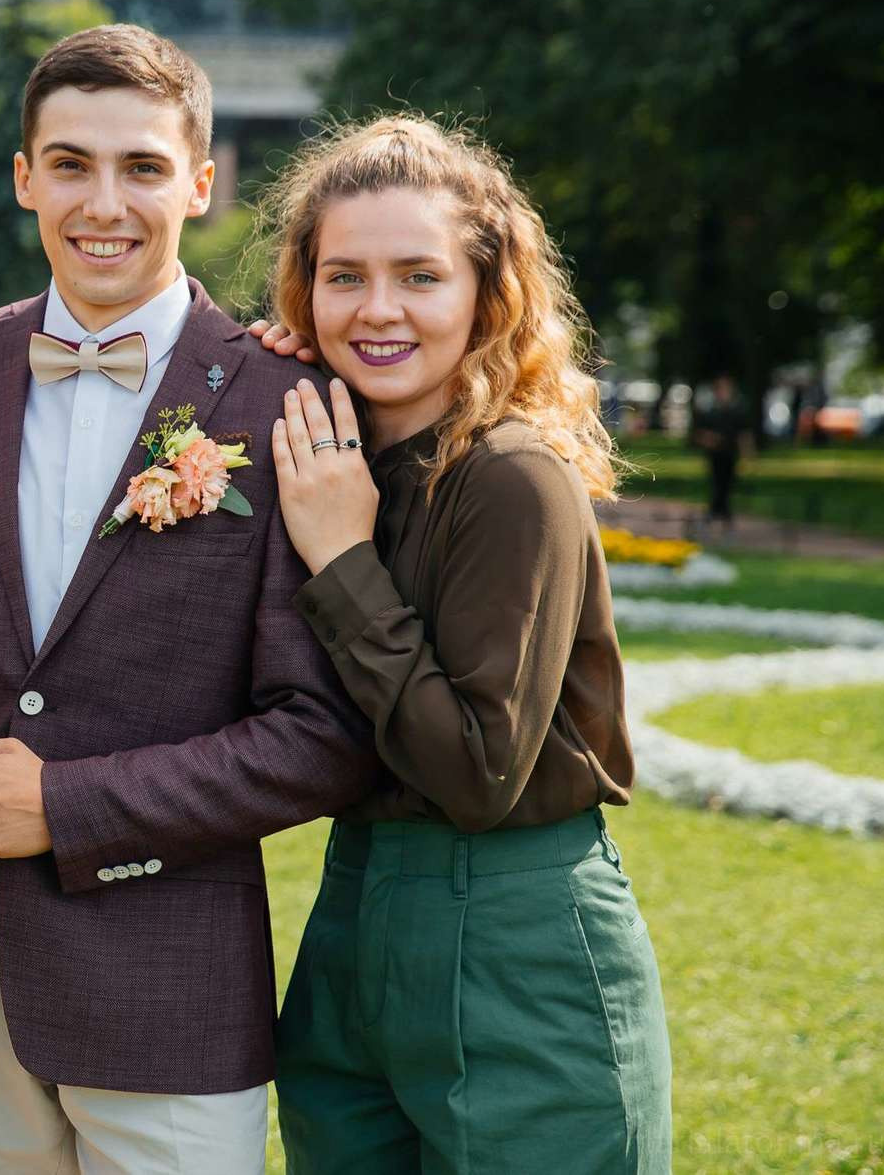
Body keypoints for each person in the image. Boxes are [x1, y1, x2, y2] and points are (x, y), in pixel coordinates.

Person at [0, 25, 375, 1173]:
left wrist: (71, 804)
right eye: (69, 163)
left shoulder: (286, 399)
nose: (102, 201)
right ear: (23, 179)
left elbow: (323, 737)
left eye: (142, 167)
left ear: (200, 183)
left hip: (169, 994)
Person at [254, 115, 671, 1171]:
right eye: (341, 276)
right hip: (352, 910)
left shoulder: (509, 475)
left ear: (487, 295)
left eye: (418, 276)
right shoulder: (318, 462)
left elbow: (480, 772)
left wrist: (342, 561)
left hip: (513, 929)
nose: (377, 309)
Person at [692, 373, 748, 534]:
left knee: (726, 486)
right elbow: (699, 434)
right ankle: (720, 517)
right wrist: (709, 439)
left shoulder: (737, 411)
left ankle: (716, 515)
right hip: (715, 455)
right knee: (717, 486)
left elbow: (743, 434)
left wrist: (746, 454)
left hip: (730, 454)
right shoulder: (710, 412)